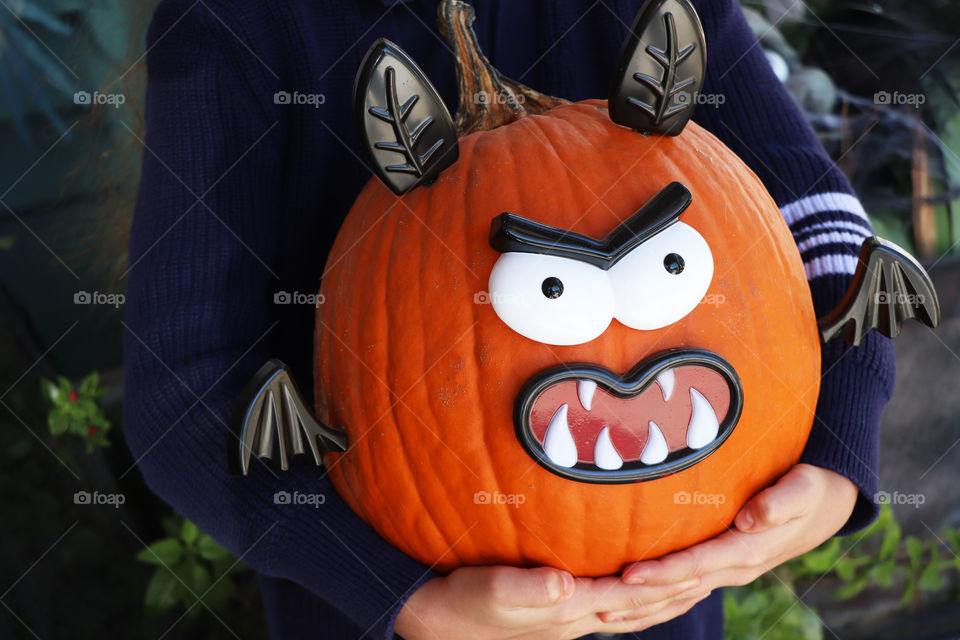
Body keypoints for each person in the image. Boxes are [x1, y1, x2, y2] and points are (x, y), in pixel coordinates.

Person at [123, 0, 894, 638]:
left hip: (666, 601)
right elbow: (185, 392)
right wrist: (408, 599)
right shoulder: (233, 27)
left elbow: (821, 225)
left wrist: (835, 460)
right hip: (383, 607)